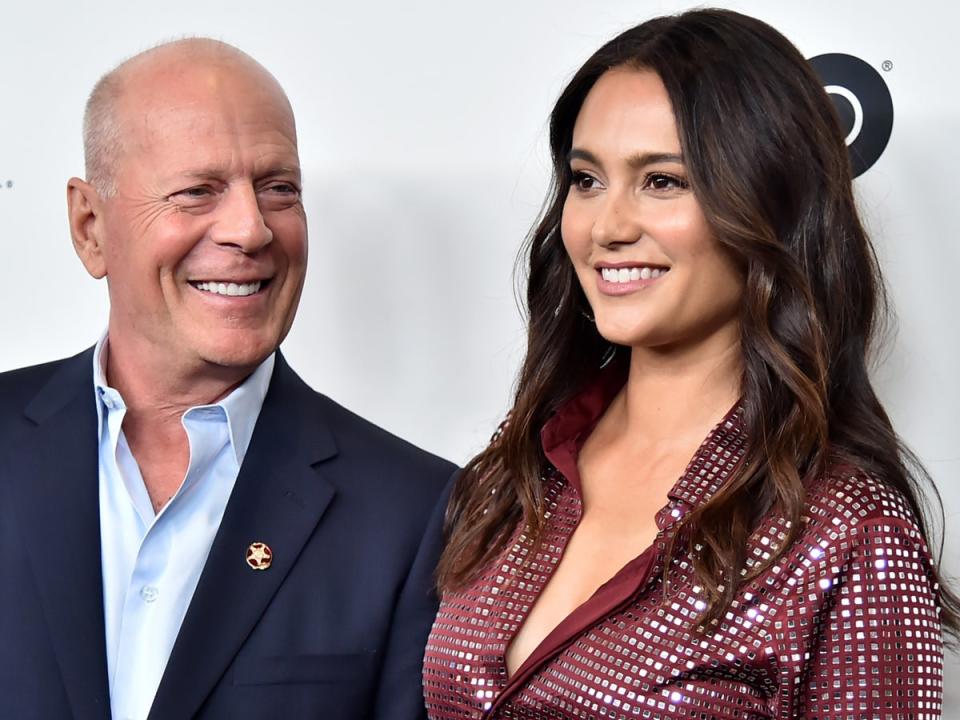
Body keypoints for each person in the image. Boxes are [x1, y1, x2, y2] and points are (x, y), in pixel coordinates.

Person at [424, 9, 954, 718]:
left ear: (772, 203)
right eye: (586, 180)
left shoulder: (846, 529)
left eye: (663, 181)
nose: (607, 227)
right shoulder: (516, 470)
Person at [0, 38, 455, 720]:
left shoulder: (418, 513)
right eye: (196, 192)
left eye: (279, 189)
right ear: (90, 227)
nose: (251, 230)